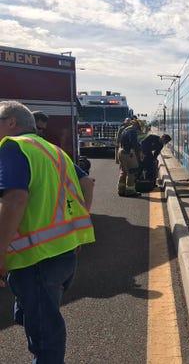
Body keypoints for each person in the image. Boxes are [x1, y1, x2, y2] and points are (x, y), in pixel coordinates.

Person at [0, 100, 95, 363]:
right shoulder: (53, 150)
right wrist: (76, 227)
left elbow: (15, 200)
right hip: (63, 255)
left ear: (11, 123)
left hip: (36, 260)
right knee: (35, 314)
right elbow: (87, 183)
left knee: (45, 336)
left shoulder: (12, 147)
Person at [117, 119, 142, 197]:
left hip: (121, 151)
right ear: (137, 125)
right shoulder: (132, 131)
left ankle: (121, 190)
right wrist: (139, 151)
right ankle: (130, 191)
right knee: (132, 171)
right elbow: (134, 143)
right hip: (128, 153)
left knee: (123, 171)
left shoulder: (126, 129)